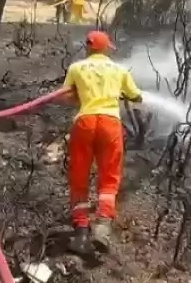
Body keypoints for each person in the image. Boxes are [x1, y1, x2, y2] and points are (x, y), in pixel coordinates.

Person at [60, 30, 143, 254]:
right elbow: (135, 95)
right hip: (110, 124)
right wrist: (131, 96)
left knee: (80, 175)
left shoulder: (76, 68)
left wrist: (82, 96)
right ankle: (103, 227)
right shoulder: (119, 69)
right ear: (106, 49)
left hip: (84, 122)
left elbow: (65, 96)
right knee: (109, 176)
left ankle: (81, 231)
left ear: (88, 47)